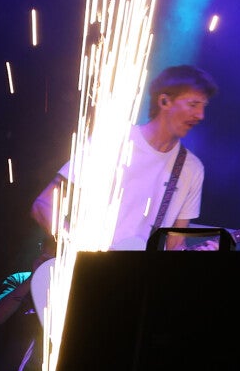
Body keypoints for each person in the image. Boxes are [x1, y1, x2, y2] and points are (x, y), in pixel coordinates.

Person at [30, 64, 217, 252]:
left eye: (204, 106)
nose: (200, 115)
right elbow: (44, 205)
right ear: (164, 101)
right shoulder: (112, 141)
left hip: (133, 271)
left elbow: (175, 245)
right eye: (193, 104)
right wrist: (77, 248)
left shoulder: (192, 168)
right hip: (83, 264)